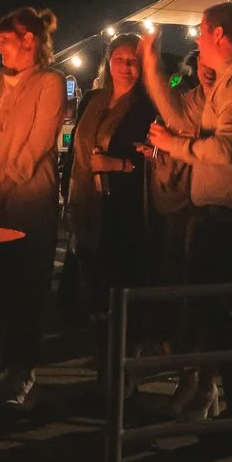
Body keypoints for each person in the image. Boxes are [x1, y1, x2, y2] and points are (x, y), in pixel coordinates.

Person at [141, 2, 232, 427]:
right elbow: (181, 115)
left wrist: (175, 145)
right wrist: (151, 67)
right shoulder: (226, 84)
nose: (197, 36)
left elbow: (224, 149)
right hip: (218, 215)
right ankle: (226, 405)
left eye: (202, 29)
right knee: (215, 312)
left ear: (220, 34)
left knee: (223, 313)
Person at [0, 6, 68, 411]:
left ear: (29, 40)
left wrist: (5, 182)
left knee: (27, 284)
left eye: (4, 39)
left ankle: (21, 373)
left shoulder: (50, 83)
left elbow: (39, 142)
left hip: (28, 200)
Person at [67, 32, 159, 319]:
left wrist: (118, 164)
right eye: (118, 59)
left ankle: (120, 339)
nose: (125, 66)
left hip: (123, 204)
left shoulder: (146, 106)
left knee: (118, 274)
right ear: (108, 63)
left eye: (132, 61)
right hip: (87, 199)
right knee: (90, 271)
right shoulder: (93, 99)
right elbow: (76, 151)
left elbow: (152, 155)